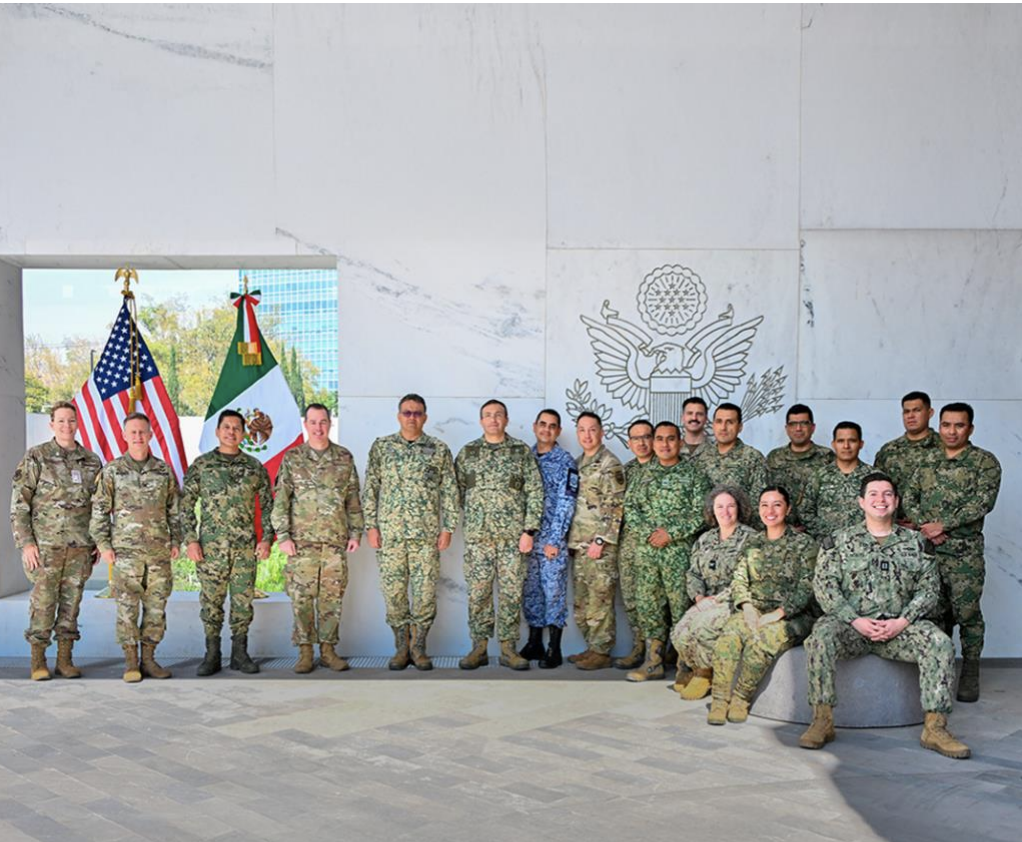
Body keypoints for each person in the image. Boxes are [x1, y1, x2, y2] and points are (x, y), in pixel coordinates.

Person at [800, 473, 970, 759]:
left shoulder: (916, 543)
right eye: (874, 494)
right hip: (852, 627)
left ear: (896, 501)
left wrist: (901, 622)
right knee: (820, 637)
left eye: (887, 494)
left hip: (899, 629)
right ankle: (822, 720)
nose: (881, 500)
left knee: (939, 643)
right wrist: (855, 620)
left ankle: (935, 728)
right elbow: (825, 587)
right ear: (861, 502)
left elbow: (929, 590)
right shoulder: (838, 542)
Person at [902, 403, 1001, 702]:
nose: (952, 431)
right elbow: (909, 496)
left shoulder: (984, 462)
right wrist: (926, 526)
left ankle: (970, 670)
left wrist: (944, 525)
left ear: (970, 428)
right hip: (929, 552)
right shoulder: (927, 460)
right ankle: (939, 671)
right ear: (940, 426)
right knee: (934, 614)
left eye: (959, 425)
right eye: (946, 425)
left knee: (967, 614)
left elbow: (983, 502)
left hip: (964, 554)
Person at [364, 394, 459, 671]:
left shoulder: (438, 449)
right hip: (391, 535)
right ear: (398, 416)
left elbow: (450, 492)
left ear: (425, 417)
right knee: (394, 593)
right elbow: (370, 488)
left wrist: (448, 527)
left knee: (425, 594)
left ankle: (419, 648)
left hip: (426, 536)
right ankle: (400, 647)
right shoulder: (382, 447)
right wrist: (371, 526)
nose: (412, 417)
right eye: (407, 412)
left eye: (417, 413)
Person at [707, 486, 818, 725]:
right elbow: (739, 578)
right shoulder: (752, 542)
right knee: (728, 638)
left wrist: (778, 614)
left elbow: (807, 587)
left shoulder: (804, 544)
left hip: (792, 617)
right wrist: (746, 606)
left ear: (787, 509)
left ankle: (740, 699)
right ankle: (719, 700)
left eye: (777, 504)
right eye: (764, 505)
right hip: (754, 609)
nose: (770, 510)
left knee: (761, 642)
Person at [10, 401, 102, 681]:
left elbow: (99, 505)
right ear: (52, 424)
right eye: (61, 421)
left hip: (80, 548)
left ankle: (65, 660)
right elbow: (20, 503)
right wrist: (26, 543)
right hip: (45, 547)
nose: (66, 426)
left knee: (71, 604)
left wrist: (98, 540)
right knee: (43, 603)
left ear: (77, 423)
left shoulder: (91, 461)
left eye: (71, 420)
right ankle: (38, 660)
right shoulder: (36, 457)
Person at [271, 404, 363, 674]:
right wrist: (283, 536)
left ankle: (328, 650)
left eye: (323, 422)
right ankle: (305, 652)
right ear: (306, 424)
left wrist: (356, 532)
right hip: (301, 544)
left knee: (331, 600)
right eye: (313, 422)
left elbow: (353, 499)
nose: (318, 427)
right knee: (301, 599)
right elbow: (281, 500)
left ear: (329, 424)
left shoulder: (344, 458)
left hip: (334, 543)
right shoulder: (293, 458)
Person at [89, 412, 181, 683]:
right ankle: (131, 662)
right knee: (127, 608)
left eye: (143, 432)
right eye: (133, 432)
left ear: (151, 435)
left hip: (158, 554)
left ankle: (150, 659)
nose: (138, 437)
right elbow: (100, 511)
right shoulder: (113, 471)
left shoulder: (163, 471)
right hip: (125, 554)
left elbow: (174, 510)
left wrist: (176, 540)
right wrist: (103, 545)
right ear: (124, 435)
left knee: (156, 609)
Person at [181, 409, 273, 676]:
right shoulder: (202, 465)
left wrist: (266, 538)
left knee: (243, 603)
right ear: (217, 431)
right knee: (211, 602)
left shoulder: (254, 467)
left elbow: (268, 506)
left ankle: (240, 654)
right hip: (211, 549)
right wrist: (190, 540)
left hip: (245, 548)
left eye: (236, 428)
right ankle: (211, 654)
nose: (231, 432)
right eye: (226, 427)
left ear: (243, 434)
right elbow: (185, 505)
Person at [455, 400, 543, 671]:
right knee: (478, 594)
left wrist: (529, 530)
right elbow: (457, 493)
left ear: (506, 419)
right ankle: (479, 647)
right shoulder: (468, 452)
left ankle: (508, 648)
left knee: (510, 595)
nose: (493, 420)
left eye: (498, 415)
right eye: (487, 416)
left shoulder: (520, 452)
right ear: (481, 421)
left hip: (512, 540)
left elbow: (535, 491)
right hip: (478, 540)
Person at [627, 422, 711, 682]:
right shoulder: (641, 473)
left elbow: (702, 512)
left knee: (680, 607)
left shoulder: (694, 474)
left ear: (680, 442)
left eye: (671, 439)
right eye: (660, 439)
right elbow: (630, 508)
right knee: (649, 605)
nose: (665, 444)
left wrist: (671, 533)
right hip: (647, 553)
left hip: (678, 553)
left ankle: (685, 664)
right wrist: (649, 534)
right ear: (653, 443)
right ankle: (653, 662)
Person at [671, 486, 756, 700]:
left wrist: (715, 601)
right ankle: (692, 667)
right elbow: (693, 573)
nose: (725, 511)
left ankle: (706, 673)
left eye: (730, 506)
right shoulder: (705, 539)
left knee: (703, 627)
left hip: (732, 601)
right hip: (706, 599)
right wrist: (699, 597)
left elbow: (749, 579)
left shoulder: (751, 539)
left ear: (739, 508)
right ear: (712, 510)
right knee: (679, 630)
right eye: (720, 506)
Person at [566, 412, 625, 670]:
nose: (587, 435)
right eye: (582, 430)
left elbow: (616, 507)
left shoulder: (609, 464)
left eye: (592, 430)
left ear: (601, 432)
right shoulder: (578, 463)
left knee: (600, 600)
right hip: (579, 544)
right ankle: (591, 647)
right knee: (583, 601)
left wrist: (600, 540)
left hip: (599, 546)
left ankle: (602, 651)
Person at [520, 409, 577, 668]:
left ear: (558, 431)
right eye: (542, 424)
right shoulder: (525, 457)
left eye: (552, 426)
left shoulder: (565, 461)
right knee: (531, 592)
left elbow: (567, 503)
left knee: (553, 592)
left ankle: (554, 648)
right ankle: (534, 643)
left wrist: (555, 539)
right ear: (534, 426)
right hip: (527, 539)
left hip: (551, 541)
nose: (546, 429)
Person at [611, 419, 655, 670]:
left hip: (654, 547)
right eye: (635, 438)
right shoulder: (625, 471)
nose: (641, 442)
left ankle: (656, 650)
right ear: (629, 443)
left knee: (654, 601)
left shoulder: (664, 468)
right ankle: (638, 646)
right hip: (628, 547)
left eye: (646, 437)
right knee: (631, 598)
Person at [800, 422, 873, 542]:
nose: (846, 446)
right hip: (828, 547)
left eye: (852, 441)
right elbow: (805, 511)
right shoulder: (819, 476)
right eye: (840, 441)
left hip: (864, 546)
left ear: (861, 444)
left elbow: (884, 510)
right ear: (833, 444)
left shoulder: (874, 477)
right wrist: (823, 535)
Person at [874, 391, 941, 520]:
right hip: (896, 528)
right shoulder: (889, 451)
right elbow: (878, 489)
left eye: (917, 410)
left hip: (935, 530)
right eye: (906, 411)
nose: (911, 416)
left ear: (930, 413)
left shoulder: (944, 448)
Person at [766, 404, 833, 525]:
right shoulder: (774, 457)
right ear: (786, 428)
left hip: (818, 531)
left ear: (812, 427)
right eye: (793, 424)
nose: (798, 428)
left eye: (804, 423)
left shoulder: (827, 457)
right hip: (782, 530)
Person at [695, 403, 767, 501]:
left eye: (730, 422)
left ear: (740, 427)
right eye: (719, 421)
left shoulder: (753, 458)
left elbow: (759, 499)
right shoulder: (702, 457)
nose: (723, 427)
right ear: (713, 425)